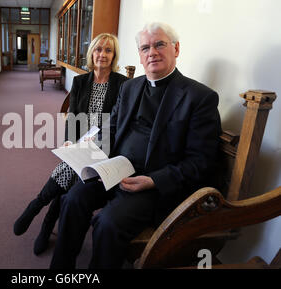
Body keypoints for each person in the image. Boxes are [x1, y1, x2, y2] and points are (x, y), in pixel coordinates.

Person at [49, 22, 222, 269]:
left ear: (176, 49)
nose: (152, 52)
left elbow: (201, 162)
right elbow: (110, 129)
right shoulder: (129, 87)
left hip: (154, 185)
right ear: (140, 56)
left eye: (159, 44)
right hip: (114, 170)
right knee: (72, 199)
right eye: (145, 47)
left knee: (107, 223)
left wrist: (153, 181)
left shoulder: (199, 97)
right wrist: (89, 155)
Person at [13, 33, 129, 255]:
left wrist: (98, 143)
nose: (102, 54)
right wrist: (69, 141)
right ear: (91, 52)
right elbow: (73, 115)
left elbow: (120, 122)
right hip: (79, 143)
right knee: (72, 169)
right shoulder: (80, 81)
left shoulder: (123, 84)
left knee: (72, 173)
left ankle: (40, 210)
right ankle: (43, 215)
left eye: (108, 50)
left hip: (104, 148)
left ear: (114, 56)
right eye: (98, 49)